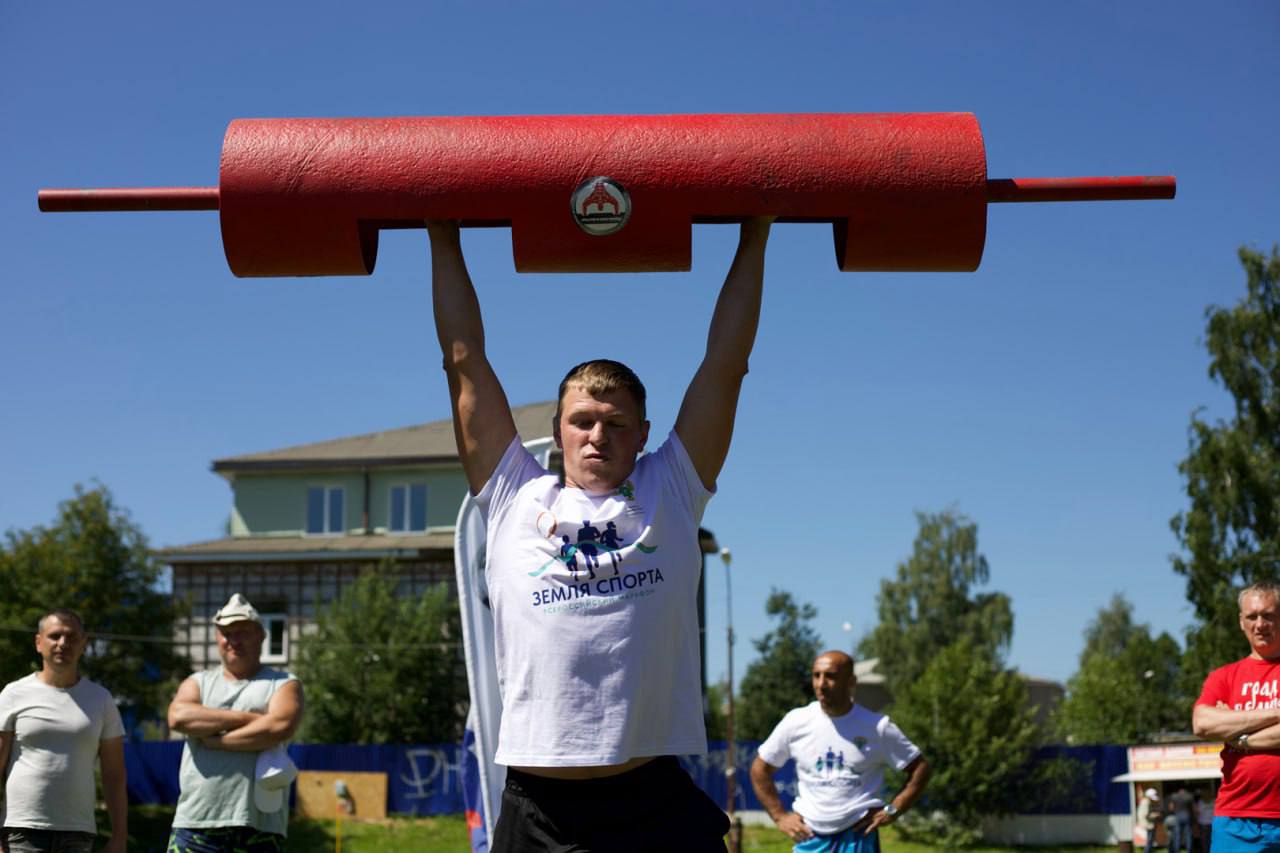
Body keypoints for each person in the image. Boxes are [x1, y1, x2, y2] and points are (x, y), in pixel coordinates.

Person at [427, 217, 773, 852]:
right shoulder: (511, 495)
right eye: (582, 421)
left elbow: (727, 365)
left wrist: (756, 235)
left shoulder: (671, 489)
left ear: (643, 433)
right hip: (540, 809)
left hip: (650, 798)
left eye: (615, 423)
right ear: (557, 430)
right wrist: (441, 235)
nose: (597, 435)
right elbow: (464, 361)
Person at [749, 651, 931, 852]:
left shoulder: (877, 726)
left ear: (851, 681)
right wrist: (779, 816)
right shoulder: (796, 721)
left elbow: (920, 768)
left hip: (858, 836)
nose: (821, 684)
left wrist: (893, 810)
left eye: (831, 676)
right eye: (816, 675)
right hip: (810, 837)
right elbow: (760, 768)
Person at [166, 594, 303, 853]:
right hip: (196, 823)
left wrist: (217, 741)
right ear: (217, 638)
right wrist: (252, 719)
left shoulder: (284, 683)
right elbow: (179, 717)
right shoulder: (198, 682)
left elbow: (280, 727)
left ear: (261, 636)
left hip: (260, 828)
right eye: (226, 633)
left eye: (242, 632)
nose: (233, 641)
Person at [0, 609, 127, 853]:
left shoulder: (101, 699)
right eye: (55, 636)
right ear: (39, 642)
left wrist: (119, 836)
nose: (62, 643)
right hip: (21, 831)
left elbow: (115, 775)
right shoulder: (12, 694)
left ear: (83, 644)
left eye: (71, 637)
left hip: (78, 833)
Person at [1192, 581, 1280, 851]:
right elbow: (1203, 724)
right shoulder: (1224, 677)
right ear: (1242, 622)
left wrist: (1239, 738)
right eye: (1252, 616)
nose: (1260, 624)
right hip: (1236, 821)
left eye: (1268, 615)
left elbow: (1219, 725)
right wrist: (1275, 713)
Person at [1169, 785, 1194, 853]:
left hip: (1178, 816)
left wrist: (1175, 810)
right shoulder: (1189, 796)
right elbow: (1193, 809)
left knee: (1177, 835)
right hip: (1187, 815)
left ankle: (1176, 851)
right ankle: (1189, 850)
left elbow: (1171, 808)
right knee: (1188, 835)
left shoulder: (1174, 796)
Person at [1137, 788, 1162, 853]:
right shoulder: (1146, 802)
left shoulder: (1145, 801)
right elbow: (1146, 815)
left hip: (1148, 823)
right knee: (1150, 840)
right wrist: (1155, 814)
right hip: (1148, 824)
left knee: (1150, 839)